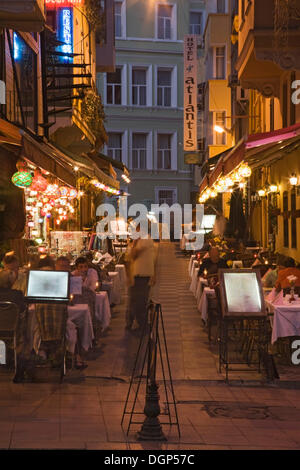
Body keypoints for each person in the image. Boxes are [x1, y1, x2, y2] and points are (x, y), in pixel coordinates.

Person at [127, 225, 156, 332]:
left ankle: (142, 324)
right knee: (136, 300)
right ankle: (136, 323)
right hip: (141, 274)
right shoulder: (147, 239)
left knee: (139, 301)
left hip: (141, 275)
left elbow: (133, 255)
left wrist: (134, 243)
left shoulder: (144, 240)